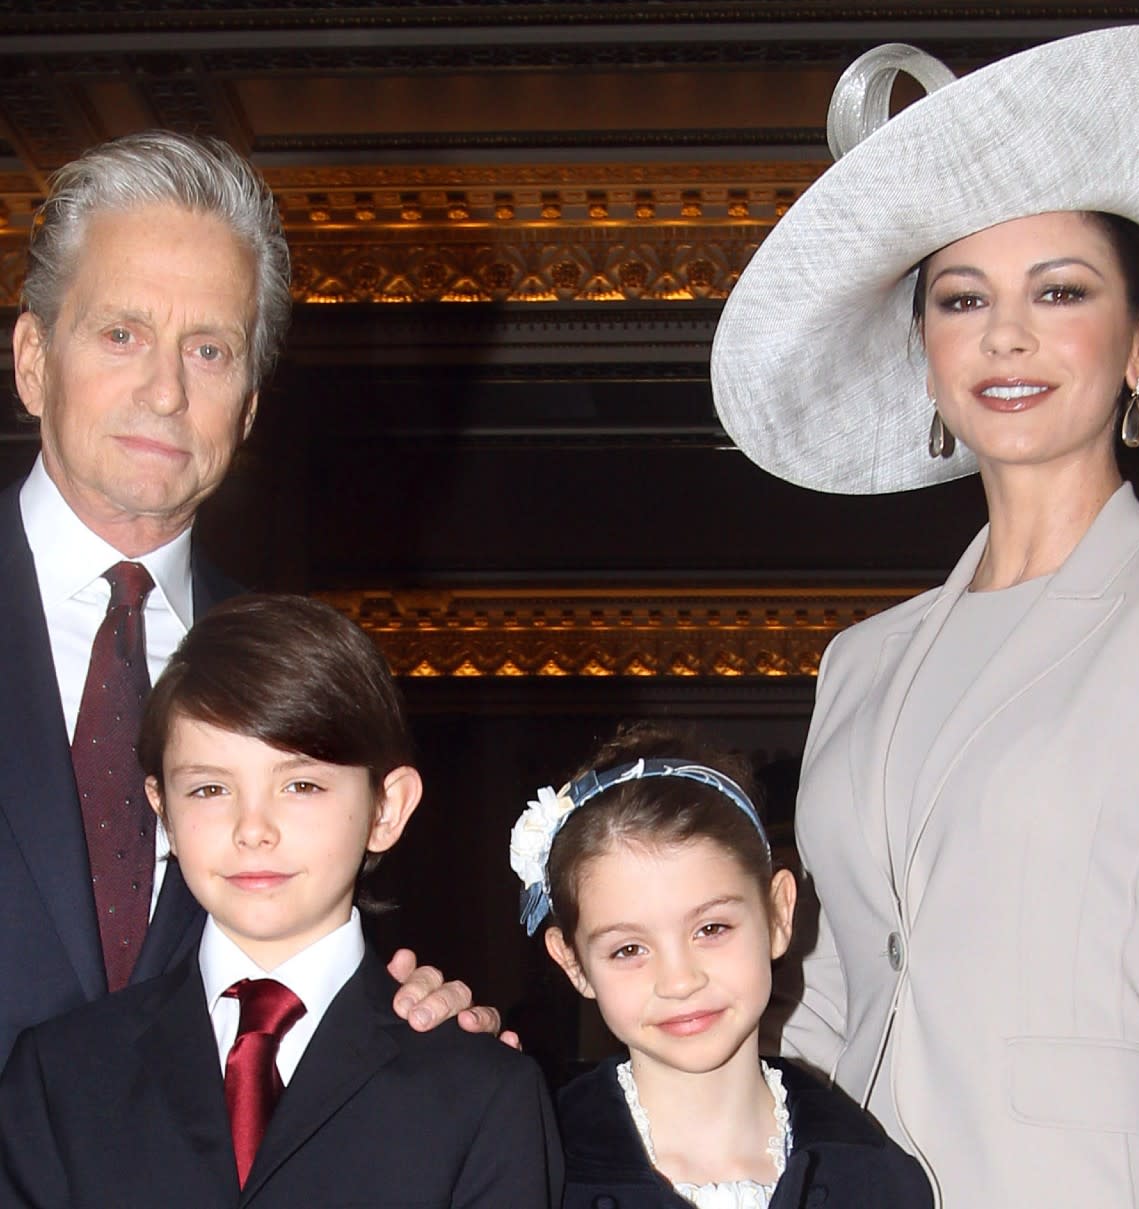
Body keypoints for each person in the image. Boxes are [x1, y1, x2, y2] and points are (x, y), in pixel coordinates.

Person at [710, 23, 1139, 1209]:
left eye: (1061, 291)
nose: (1007, 335)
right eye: (962, 298)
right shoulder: (861, 662)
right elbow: (825, 990)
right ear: (926, 352)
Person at [0, 130, 484, 1066]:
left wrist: (402, 1024)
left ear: (251, 407)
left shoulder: (304, 683)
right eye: (121, 333)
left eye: (210, 350)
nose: (165, 390)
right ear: (31, 359)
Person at [0, 595, 562, 1208]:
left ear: (387, 808)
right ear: (162, 809)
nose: (253, 828)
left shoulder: (482, 1094)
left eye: (301, 785)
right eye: (210, 788)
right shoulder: (62, 1074)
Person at [511, 721, 932, 1208]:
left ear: (778, 914)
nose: (680, 981)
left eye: (711, 929)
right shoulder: (538, 1171)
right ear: (574, 963)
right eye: (629, 949)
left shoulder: (876, 1175)